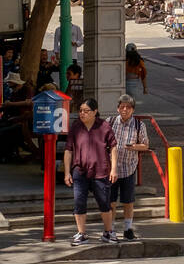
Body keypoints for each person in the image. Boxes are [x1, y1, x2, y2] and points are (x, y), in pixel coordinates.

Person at [64, 97, 118, 245]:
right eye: (81, 111)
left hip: (100, 170)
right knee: (79, 202)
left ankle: (108, 232)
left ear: (95, 112)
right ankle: (81, 233)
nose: (82, 114)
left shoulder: (104, 126)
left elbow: (113, 147)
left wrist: (114, 169)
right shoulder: (76, 126)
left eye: (86, 111)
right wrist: (67, 172)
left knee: (104, 202)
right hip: (80, 170)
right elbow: (68, 150)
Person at [107, 94, 151, 241]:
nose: (124, 110)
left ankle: (128, 229)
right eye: (122, 107)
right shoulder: (111, 121)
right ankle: (110, 229)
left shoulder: (139, 125)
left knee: (128, 201)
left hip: (129, 168)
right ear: (117, 108)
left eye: (128, 107)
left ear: (132, 110)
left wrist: (133, 147)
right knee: (111, 201)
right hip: (111, 169)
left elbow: (145, 145)